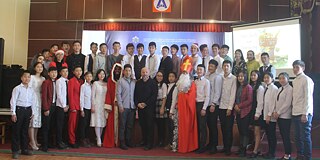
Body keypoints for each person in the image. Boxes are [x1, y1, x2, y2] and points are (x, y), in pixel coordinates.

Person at [10, 70, 36, 159]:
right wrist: (13, 113)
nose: (27, 78)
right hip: (19, 110)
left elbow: (33, 101)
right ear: (21, 78)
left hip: (28, 110)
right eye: (25, 77)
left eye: (29, 77)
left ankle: (24, 149)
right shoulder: (17, 88)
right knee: (16, 131)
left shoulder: (31, 89)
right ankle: (15, 150)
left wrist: (33, 112)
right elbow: (13, 101)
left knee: (25, 131)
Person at [292, 60, 314, 160]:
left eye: (297, 67)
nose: (295, 69)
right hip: (295, 112)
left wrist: (305, 113)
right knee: (297, 137)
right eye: (294, 67)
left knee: (305, 136)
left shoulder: (306, 79)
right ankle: (299, 155)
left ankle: (307, 157)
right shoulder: (294, 81)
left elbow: (308, 98)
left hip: (304, 113)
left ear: (303, 68)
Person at [175, 60, 198, 153]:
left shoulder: (192, 83)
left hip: (187, 109)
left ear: (189, 72)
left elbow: (191, 96)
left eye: (186, 72)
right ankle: (180, 146)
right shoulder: (179, 83)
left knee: (187, 128)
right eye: (183, 72)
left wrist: (182, 96)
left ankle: (188, 147)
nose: (184, 73)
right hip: (179, 107)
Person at [134, 67, 158, 150]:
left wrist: (146, 103)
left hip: (149, 108)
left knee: (149, 126)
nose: (144, 74)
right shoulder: (138, 83)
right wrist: (137, 103)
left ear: (149, 73)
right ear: (141, 73)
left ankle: (149, 143)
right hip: (140, 108)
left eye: (146, 72)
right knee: (142, 125)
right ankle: (144, 141)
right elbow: (135, 95)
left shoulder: (153, 83)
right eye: (143, 72)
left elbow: (154, 96)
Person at [256, 72, 278, 159]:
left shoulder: (274, 88)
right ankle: (270, 151)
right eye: (264, 78)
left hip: (270, 116)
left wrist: (269, 115)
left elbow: (273, 103)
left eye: (267, 77)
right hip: (266, 115)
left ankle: (272, 153)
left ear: (272, 78)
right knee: (269, 135)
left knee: (272, 135)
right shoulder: (266, 87)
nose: (265, 79)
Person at [204, 59, 223, 154]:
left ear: (216, 68)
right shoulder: (206, 75)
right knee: (208, 125)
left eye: (212, 66)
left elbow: (217, 92)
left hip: (213, 105)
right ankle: (210, 143)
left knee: (213, 125)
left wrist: (214, 104)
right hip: (206, 104)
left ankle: (214, 146)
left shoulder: (218, 77)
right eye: (209, 65)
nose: (210, 67)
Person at [273, 72, 293, 160]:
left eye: (283, 78)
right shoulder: (279, 88)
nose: (281, 80)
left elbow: (287, 103)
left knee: (286, 136)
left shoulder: (290, 89)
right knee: (283, 135)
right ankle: (286, 154)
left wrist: (279, 112)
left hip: (285, 116)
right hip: (279, 116)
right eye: (280, 78)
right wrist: (275, 111)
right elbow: (276, 102)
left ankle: (288, 154)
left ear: (288, 79)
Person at [116, 64, 136, 150]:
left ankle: (128, 140)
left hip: (132, 107)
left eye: (129, 71)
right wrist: (120, 106)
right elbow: (118, 94)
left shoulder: (134, 81)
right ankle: (122, 142)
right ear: (123, 72)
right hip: (124, 107)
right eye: (126, 70)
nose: (128, 72)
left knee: (130, 125)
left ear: (131, 72)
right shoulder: (120, 81)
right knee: (123, 125)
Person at [219, 60, 236, 156]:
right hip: (220, 106)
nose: (226, 68)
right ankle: (225, 146)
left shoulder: (234, 78)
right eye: (224, 66)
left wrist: (230, 108)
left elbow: (233, 94)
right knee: (223, 128)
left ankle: (228, 148)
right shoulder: (220, 77)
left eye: (227, 66)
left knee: (228, 128)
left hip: (229, 107)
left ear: (230, 67)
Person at [234, 70, 253, 157]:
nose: (240, 78)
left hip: (245, 112)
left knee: (245, 131)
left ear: (245, 77)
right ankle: (241, 147)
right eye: (239, 76)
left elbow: (249, 100)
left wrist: (239, 106)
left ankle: (244, 149)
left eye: (242, 76)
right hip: (238, 112)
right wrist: (236, 106)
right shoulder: (238, 86)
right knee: (241, 131)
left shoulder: (248, 87)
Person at [103, 63, 122, 148]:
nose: (117, 71)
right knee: (111, 124)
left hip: (121, 106)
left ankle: (119, 142)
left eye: (119, 70)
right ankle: (111, 141)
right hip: (113, 106)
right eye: (116, 70)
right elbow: (108, 93)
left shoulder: (123, 80)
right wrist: (109, 105)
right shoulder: (110, 80)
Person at [28, 62, 46, 151]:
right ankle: (31, 141)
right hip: (32, 98)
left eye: (41, 67)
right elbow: (29, 89)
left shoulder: (43, 78)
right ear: (34, 68)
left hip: (40, 98)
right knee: (32, 121)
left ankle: (35, 140)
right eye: (38, 67)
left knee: (37, 121)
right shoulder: (31, 77)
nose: (40, 68)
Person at [41, 67, 58, 152]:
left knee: (52, 126)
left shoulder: (57, 82)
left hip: (55, 106)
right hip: (48, 106)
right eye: (52, 72)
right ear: (48, 73)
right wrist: (45, 108)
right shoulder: (46, 82)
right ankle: (44, 145)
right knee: (46, 126)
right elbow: (44, 96)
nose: (54, 74)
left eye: (55, 72)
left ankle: (50, 143)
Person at [248, 70, 265, 158]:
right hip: (251, 111)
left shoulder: (260, 87)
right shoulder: (251, 86)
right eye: (252, 75)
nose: (253, 77)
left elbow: (260, 102)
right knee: (254, 132)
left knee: (257, 132)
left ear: (258, 76)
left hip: (257, 112)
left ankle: (255, 151)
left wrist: (257, 113)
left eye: (254, 75)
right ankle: (258, 149)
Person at [90, 69, 108, 147]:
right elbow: (92, 95)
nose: (102, 76)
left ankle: (99, 137)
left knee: (102, 122)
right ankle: (99, 138)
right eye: (100, 74)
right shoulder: (95, 83)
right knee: (97, 121)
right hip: (97, 104)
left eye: (103, 74)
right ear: (97, 75)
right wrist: (93, 105)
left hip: (104, 105)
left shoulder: (106, 84)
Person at [194, 64, 210, 154]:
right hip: (194, 105)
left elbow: (207, 96)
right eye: (198, 69)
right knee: (196, 127)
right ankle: (197, 145)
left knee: (202, 127)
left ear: (204, 71)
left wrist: (204, 108)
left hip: (202, 105)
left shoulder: (206, 82)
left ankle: (202, 146)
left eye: (201, 70)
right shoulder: (194, 81)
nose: (199, 71)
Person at [68, 66, 84, 148]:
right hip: (74, 106)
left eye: (80, 71)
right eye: (77, 71)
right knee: (72, 125)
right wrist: (72, 107)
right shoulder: (71, 81)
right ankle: (71, 141)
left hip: (80, 106)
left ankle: (75, 140)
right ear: (73, 72)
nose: (79, 72)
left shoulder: (81, 81)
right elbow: (70, 95)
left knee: (77, 125)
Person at [55, 66, 69, 150]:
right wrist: (64, 106)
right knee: (59, 125)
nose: (65, 73)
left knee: (64, 125)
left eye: (67, 71)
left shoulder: (68, 81)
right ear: (60, 73)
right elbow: (59, 95)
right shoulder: (59, 81)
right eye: (63, 71)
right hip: (60, 106)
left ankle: (63, 141)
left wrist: (68, 105)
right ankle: (58, 142)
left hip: (67, 106)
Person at [78, 71, 93, 148]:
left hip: (91, 107)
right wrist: (81, 109)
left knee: (88, 125)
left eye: (90, 76)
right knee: (83, 125)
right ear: (85, 77)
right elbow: (81, 98)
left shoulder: (92, 86)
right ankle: (82, 139)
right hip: (85, 107)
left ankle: (87, 139)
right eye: (87, 76)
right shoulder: (83, 86)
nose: (89, 78)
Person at [154, 71, 168, 147]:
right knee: (158, 124)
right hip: (155, 104)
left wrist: (162, 107)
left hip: (161, 103)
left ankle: (162, 141)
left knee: (162, 125)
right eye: (158, 76)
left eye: (161, 76)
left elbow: (164, 97)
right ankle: (158, 140)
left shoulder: (164, 85)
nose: (159, 77)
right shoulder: (154, 84)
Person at [165, 72, 178, 151]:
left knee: (172, 127)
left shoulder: (176, 87)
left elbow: (174, 100)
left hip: (172, 110)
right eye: (169, 76)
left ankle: (172, 144)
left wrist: (171, 111)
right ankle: (169, 143)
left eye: (173, 76)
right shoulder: (167, 85)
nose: (171, 78)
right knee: (168, 127)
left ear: (175, 78)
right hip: (167, 109)